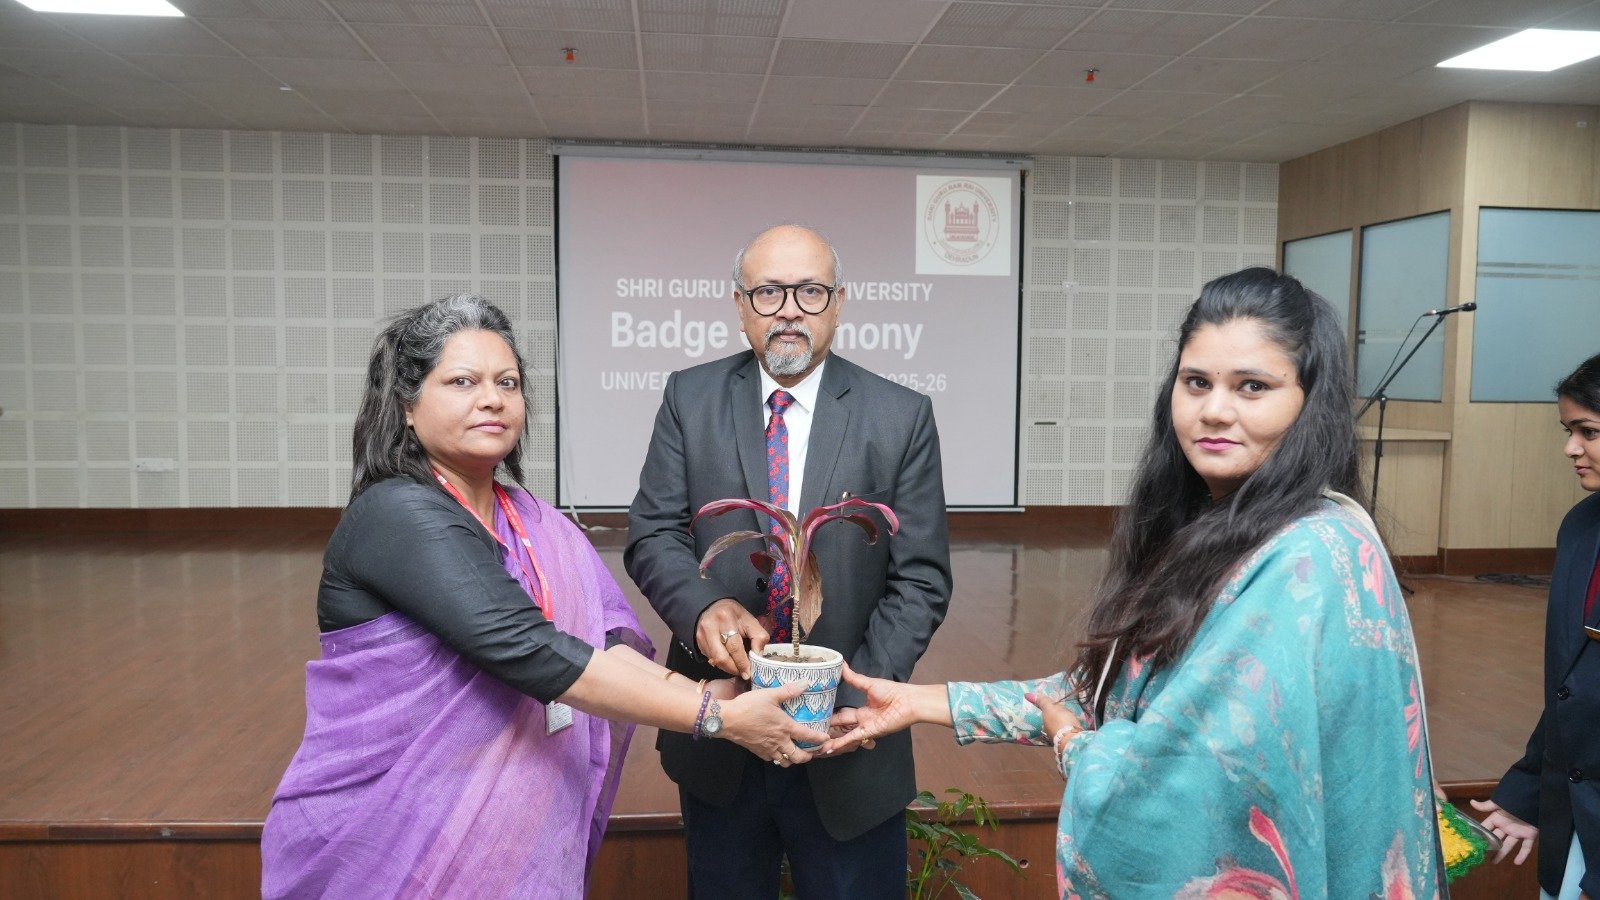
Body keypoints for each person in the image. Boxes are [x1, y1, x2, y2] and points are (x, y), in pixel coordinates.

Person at [821, 267, 1447, 897]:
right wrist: (920, 703)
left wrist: (1074, 747)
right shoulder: (1227, 527)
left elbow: (1180, 790)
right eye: (1196, 382)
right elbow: (1110, 695)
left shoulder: (1304, 558)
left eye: (1252, 387)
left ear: (1310, 402)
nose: (1214, 410)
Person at [261, 294, 825, 899]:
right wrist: (717, 718)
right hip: (394, 828)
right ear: (406, 406)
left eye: (507, 382)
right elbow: (530, 650)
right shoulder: (398, 513)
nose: (492, 399)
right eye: (462, 381)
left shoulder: (532, 520)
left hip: (504, 835)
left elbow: (599, 644)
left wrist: (716, 693)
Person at [626, 224, 952, 898]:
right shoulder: (689, 397)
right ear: (740, 304)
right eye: (769, 292)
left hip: (848, 743)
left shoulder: (900, 415)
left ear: (839, 301)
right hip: (722, 732)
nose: (790, 311)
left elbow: (921, 578)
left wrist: (851, 696)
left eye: (810, 291)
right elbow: (653, 533)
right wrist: (702, 609)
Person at [1475, 352, 1600, 900]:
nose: (1571, 448)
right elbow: (1574, 689)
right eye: (1568, 431)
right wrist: (1528, 794)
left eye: (1588, 432)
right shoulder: (1582, 526)